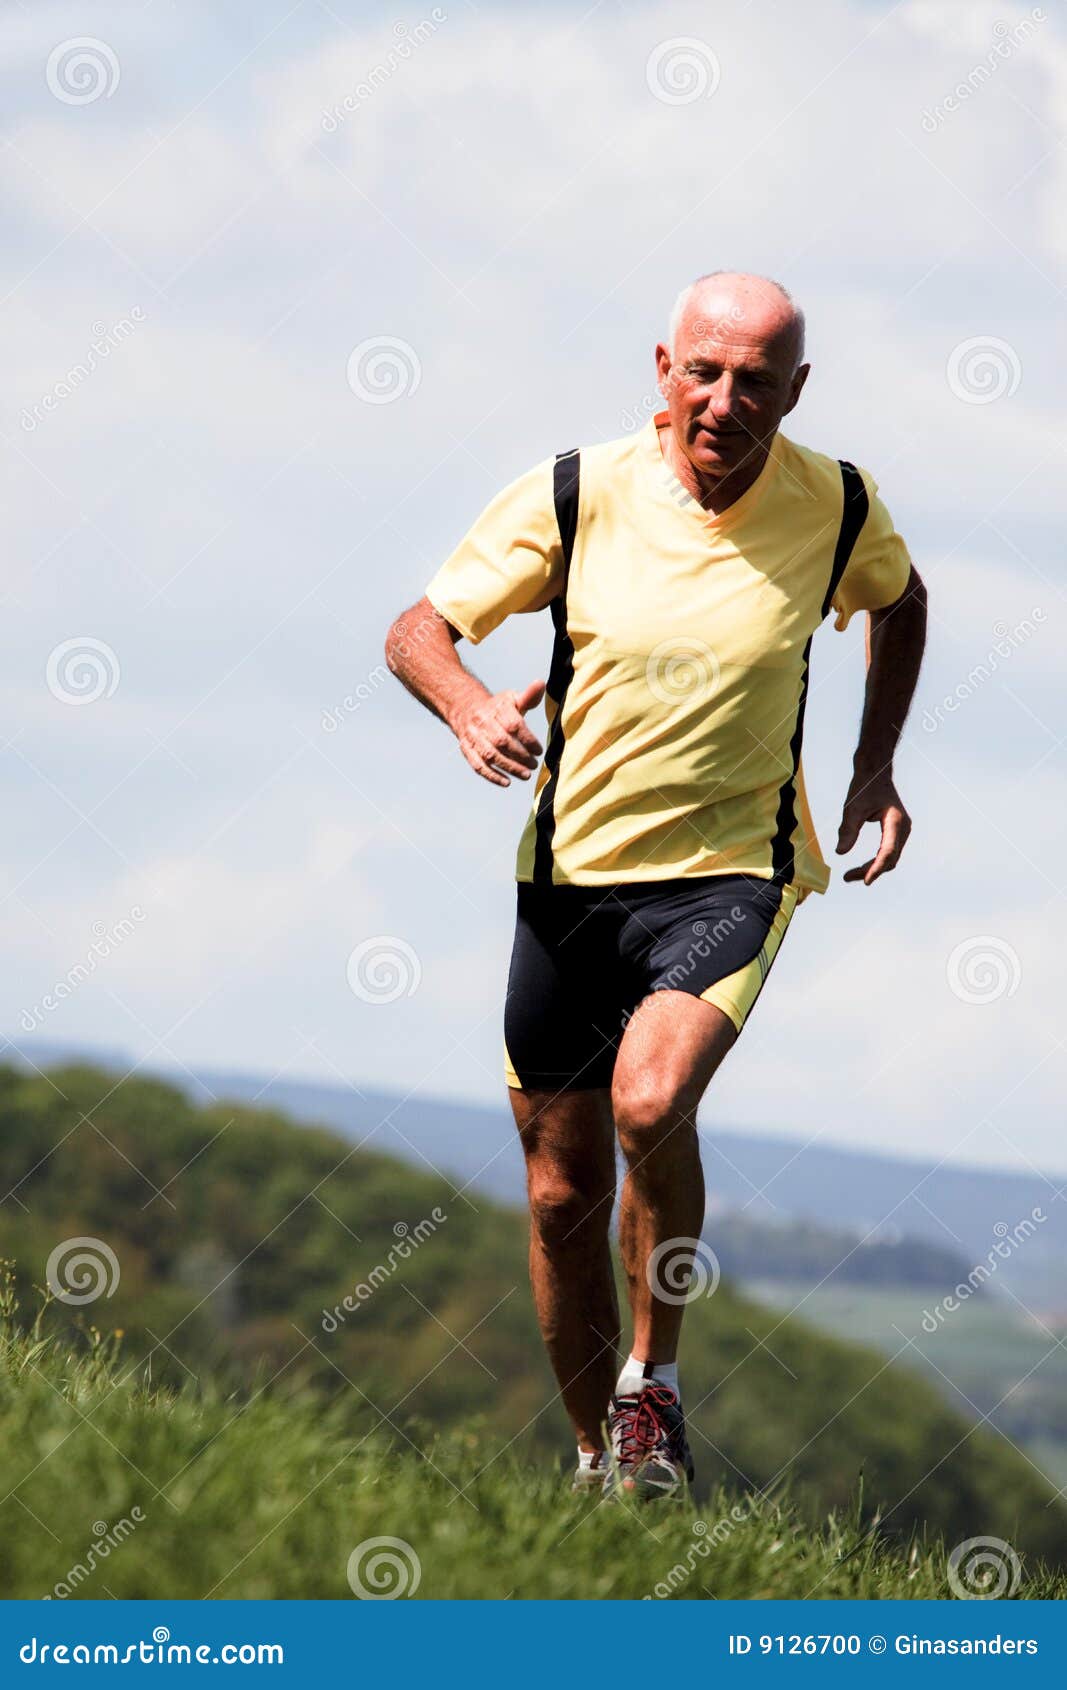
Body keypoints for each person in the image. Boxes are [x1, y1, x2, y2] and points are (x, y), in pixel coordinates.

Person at [385, 271, 927, 1500]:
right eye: (703, 370)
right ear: (661, 367)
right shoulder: (577, 491)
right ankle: (594, 1465)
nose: (723, 401)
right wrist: (467, 705)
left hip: (734, 870)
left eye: (754, 382)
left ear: (795, 392)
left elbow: (899, 604)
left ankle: (651, 1389)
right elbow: (419, 626)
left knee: (647, 1103)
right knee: (560, 1192)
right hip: (569, 874)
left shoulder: (835, 505)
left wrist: (873, 763)